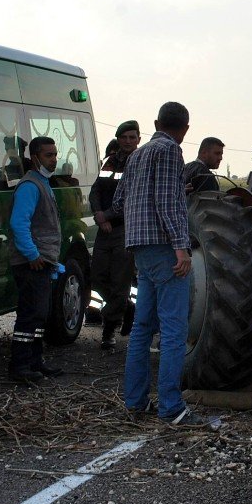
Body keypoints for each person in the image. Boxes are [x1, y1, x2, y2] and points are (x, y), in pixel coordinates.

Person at [111, 102, 203, 425]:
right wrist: (181, 248)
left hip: (140, 249)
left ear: (155, 122)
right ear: (186, 130)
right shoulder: (170, 151)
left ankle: (136, 401)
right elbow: (167, 202)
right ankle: (171, 407)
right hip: (165, 249)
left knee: (141, 328)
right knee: (174, 330)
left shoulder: (137, 155)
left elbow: (118, 201)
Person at [7, 136, 64, 383]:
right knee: (30, 315)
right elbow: (19, 223)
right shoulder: (30, 186)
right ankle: (20, 367)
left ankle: (35, 362)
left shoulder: (43, 183)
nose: (53, 160)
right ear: (35, 158)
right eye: (48, 155)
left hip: (43, 261)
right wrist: (32, 254)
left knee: (41, 315)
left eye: (54, 154)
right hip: (32, 262)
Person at [89, 120, 141, 349]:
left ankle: (108, 332)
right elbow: (96, 190)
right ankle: (126, 307)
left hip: (125, 230)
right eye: (124, 137)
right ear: (118, 139)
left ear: (139, 139)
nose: (128, 141)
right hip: (105, 228)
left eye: (132, 137)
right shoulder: (110, 161)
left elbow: (133, 197)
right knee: (97, 278)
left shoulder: (141, 161)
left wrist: (106, 216)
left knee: (120, 282)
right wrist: (99, 213)